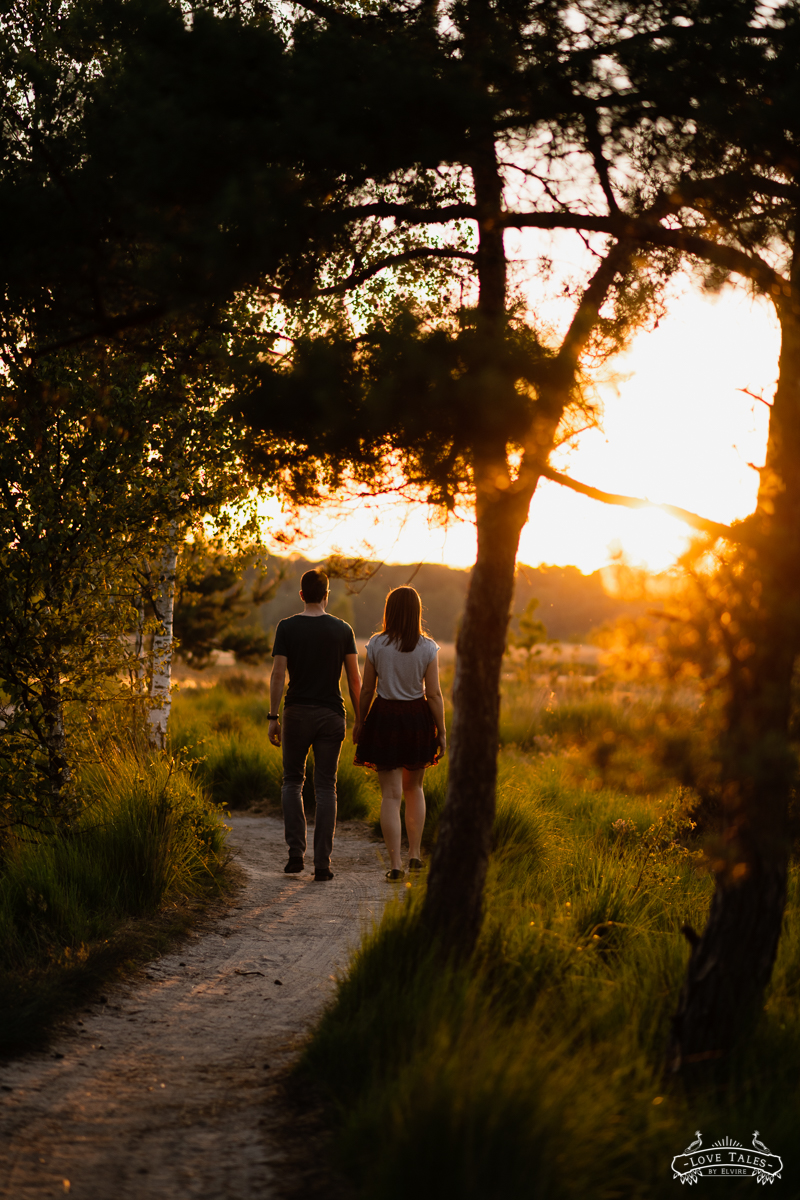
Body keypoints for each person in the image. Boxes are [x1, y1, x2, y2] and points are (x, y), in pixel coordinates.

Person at [268, 569, 361, 881]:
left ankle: (296, 854)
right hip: (331, 716)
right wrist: (361, 718)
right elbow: (354, 679)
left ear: (301, 595)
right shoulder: (342, 629)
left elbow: (278, 674)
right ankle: (323, 864)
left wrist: (273, 717)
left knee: (292, 782)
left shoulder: (286, 628)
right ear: (327, 594)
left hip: (295, 714)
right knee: (325, 787)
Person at [354, 586, 446, 881]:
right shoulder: (428, 647)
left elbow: (367, 689)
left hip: (384, 718)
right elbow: (434, 694)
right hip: (417, 718)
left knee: (390, 796)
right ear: (417, 612)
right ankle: (415, 855)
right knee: (414, 789)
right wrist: (441, 731)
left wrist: (359, 721)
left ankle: (395, 864)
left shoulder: (376, 645)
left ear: (389, 611)